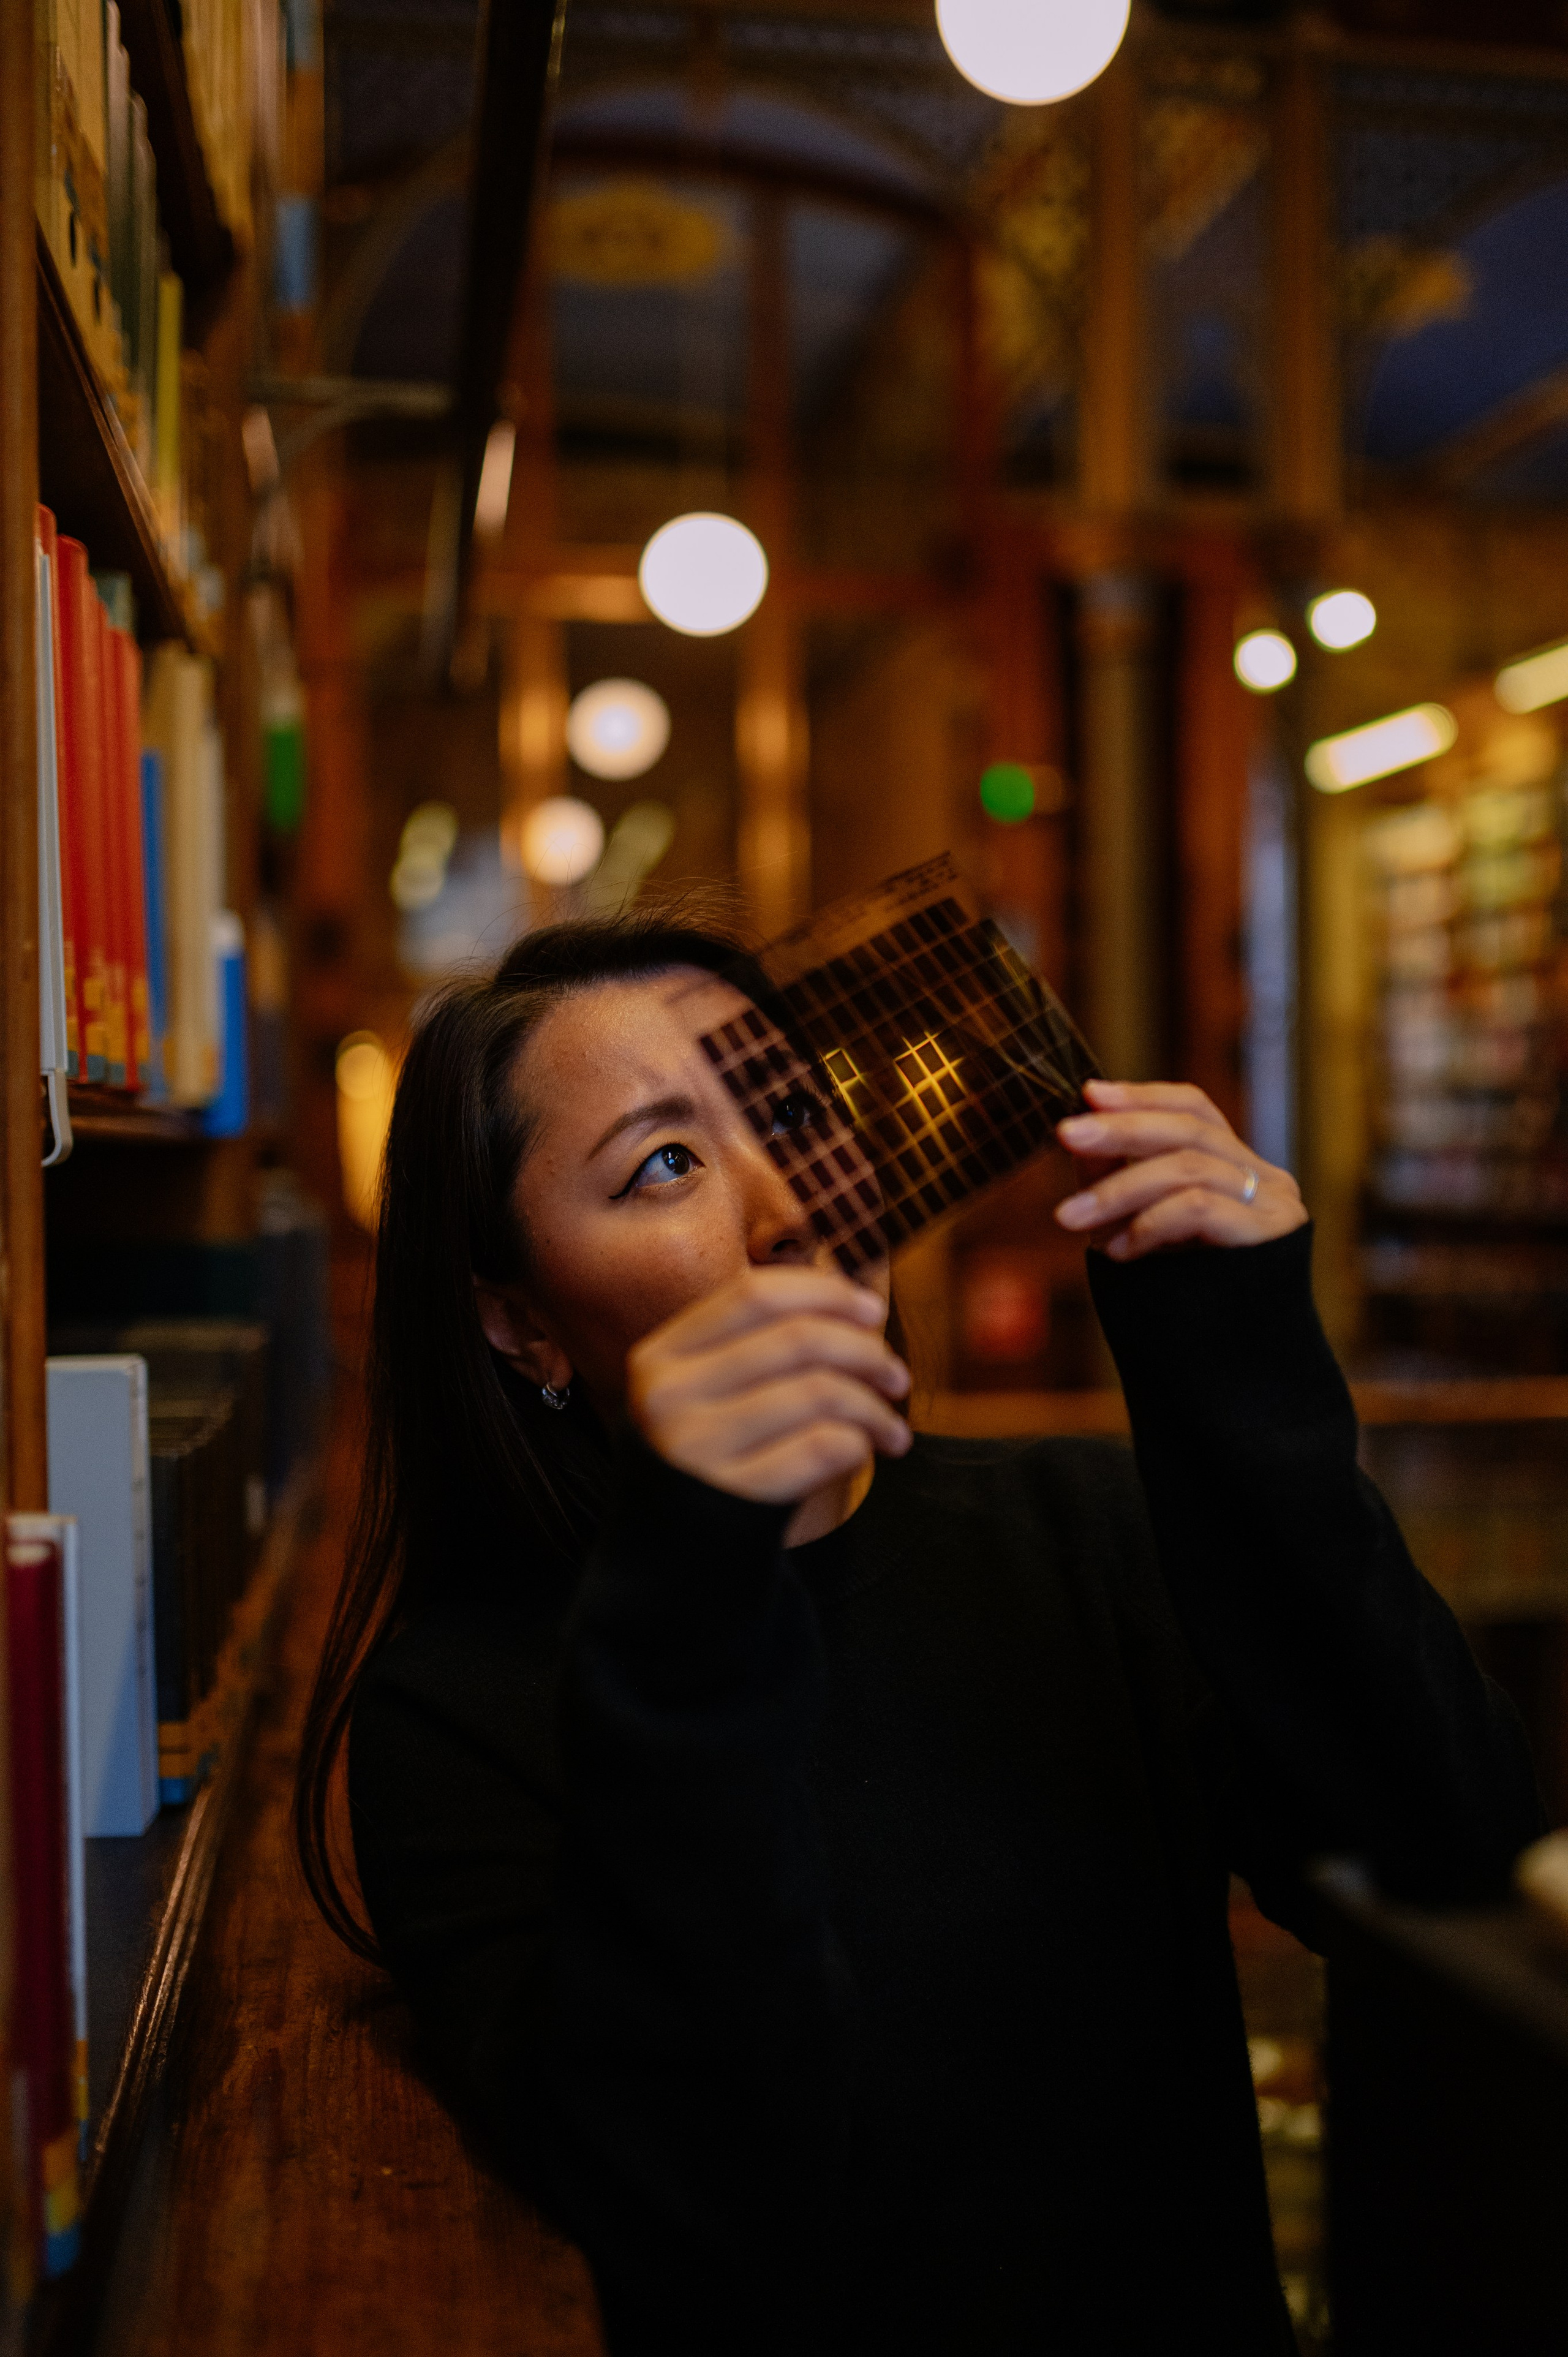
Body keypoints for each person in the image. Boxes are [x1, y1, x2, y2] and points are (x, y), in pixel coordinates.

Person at [298, 911, 1542, 2357]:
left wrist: (1239, 1366)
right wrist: (694, 1577)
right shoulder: (459, 1712)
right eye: (664, 1165)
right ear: (518, 1323)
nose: (788, 1206)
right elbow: (709, 2202)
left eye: (790, 1112)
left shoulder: (1081, 1529)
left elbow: (1452, 1860)